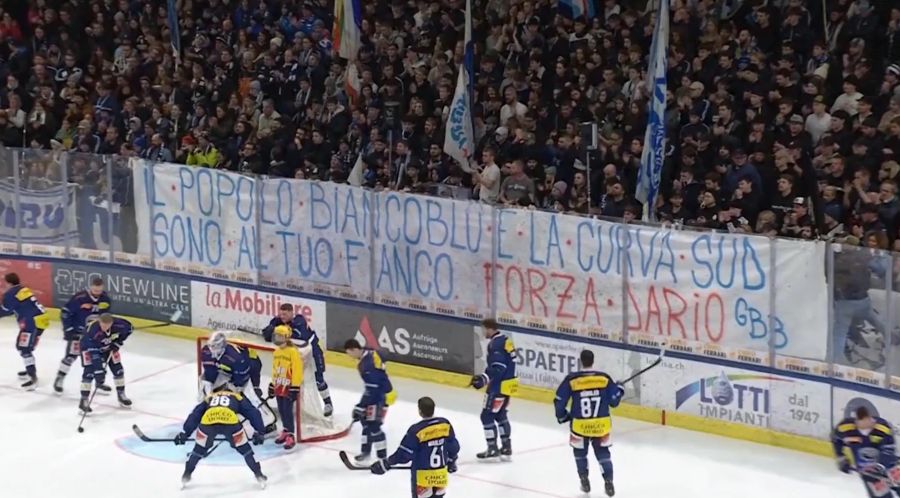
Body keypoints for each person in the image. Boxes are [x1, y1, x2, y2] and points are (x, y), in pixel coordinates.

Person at [554, 350, 625, 496]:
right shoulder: (604, 379)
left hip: (580, 425)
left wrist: (562, 416)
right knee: (603, 454)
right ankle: (609, 483)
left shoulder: (572, 380)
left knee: (580, 453)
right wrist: (619, 390)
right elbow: (614, 402)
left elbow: (559, 401)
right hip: (601, 425)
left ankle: (584, 480)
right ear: (593, 361)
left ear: (581, 361)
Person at [174, 389, 267, 489]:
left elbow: (195, 414)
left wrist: (185, 433)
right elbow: (253, 412)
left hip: (208, 421)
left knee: (198, 450)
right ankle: (259, 475)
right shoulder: (237, 396)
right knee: (246, 451)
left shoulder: (210, 397)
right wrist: (260, 431)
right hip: (230, 422)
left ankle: (186, 475)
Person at [370, 396, 460, 498]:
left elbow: (403, 455)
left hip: (422, 478)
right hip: (440, 476)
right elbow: (454, 446)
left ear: (420, 411)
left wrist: (386, 463)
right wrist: (452, 461)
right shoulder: (445, 424)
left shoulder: (417, 430)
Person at [199, 331, 277, 434]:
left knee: (250, 396)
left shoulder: (236, 358)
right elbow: (209, 373)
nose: (212, 349)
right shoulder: (206, 352)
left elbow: (241, 381)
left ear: (223, 345)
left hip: (250, 366)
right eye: (211, 346)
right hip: (226, 370)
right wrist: (210, 394)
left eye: (216, 346)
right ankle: (210, 413)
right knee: (204, 386)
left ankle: (267, 421)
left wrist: (232, 389)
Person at [263, 303, 333, 416]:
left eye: (285, 314)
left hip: (312, 352)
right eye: (281, 314)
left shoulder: (299, 320)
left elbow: (300, 336)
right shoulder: (278, 321)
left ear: (291, 313)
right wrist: (270, 330)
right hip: (296, 355)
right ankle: (291, 405)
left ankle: (328, 403)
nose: (282, 317)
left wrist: (277, 330)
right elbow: (267, 335)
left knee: (318, 379)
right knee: (288, 377)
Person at [470, 318, 518, 459]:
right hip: (508, 386)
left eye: (483, 329)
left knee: (486, 416)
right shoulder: (505, 340)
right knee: (500, 415)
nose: (483, 332)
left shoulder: (495, 344)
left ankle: (492, 448)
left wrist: (484, 378)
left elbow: (499, 367)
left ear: (489, 328)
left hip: (498, 387)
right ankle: (506, 447)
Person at [344, 338, 397, 463]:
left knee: (374, 426)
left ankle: (382, 457)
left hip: (380, 397)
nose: (350, 357)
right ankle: (365, 452)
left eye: (350, 353)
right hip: (380, 393)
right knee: (366, 423)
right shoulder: (369, 353)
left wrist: (361, 406)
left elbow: (373, 388)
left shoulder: (366, 364)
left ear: (355, 349)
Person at [56, 277, 111, 394]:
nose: (97, 293)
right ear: (90, 287)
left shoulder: (105, 299)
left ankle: (99, 382)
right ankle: (59, 379)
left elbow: (106, 318)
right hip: (78, 333)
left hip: (95, 335)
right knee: (70, 356)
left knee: (98, 358)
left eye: (99, 291)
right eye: (95, 290)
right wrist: (69, 329)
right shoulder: (79, 298)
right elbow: (65, 312)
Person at [833, 406, 900, 498]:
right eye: (861, 423)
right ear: (856, 421)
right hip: (869, 473)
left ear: (869, 418)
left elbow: (889, 449)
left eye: (867, 421)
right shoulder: (845, 427)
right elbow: (836, 439)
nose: (865, 425)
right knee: (883, 496)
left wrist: (880, 465)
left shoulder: (882, 427)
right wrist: (841, 457)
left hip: (891, 469)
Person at [1, 272, 49, 390]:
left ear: (8, 282)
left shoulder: (10, 294)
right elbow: (17, 307)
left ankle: (33, 378)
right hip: (41, 320)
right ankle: (30, 368)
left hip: (31, 323)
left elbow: (6, 310)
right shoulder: (23, 289)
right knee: (27, 347)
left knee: (24, 348)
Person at [78, 314, 133, 412]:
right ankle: (84, 400)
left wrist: (118, 342)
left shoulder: (119, 324)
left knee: (118, 370)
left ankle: (121, 394)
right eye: (103, 325)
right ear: (99, 321)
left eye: (107, 326)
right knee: (89, 373)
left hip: (108, 348)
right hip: (88, 349)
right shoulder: (92, 330)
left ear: (111, 323)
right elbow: (93, 352)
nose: (105, 328)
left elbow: (129, 329)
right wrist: (99, 370)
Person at [268, 324, 302, 450]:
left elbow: (297, 370)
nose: (277, 338)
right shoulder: (276, 351)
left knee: (288, 411)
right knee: (281, 410)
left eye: (280, 336)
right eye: (276, 335)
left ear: (286, 337)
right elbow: (275, 369)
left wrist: (295, 386)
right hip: (279, 385)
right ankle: (285, 430)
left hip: (288, 386)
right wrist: (272, 384)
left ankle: (291, 435)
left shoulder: (293, 352)